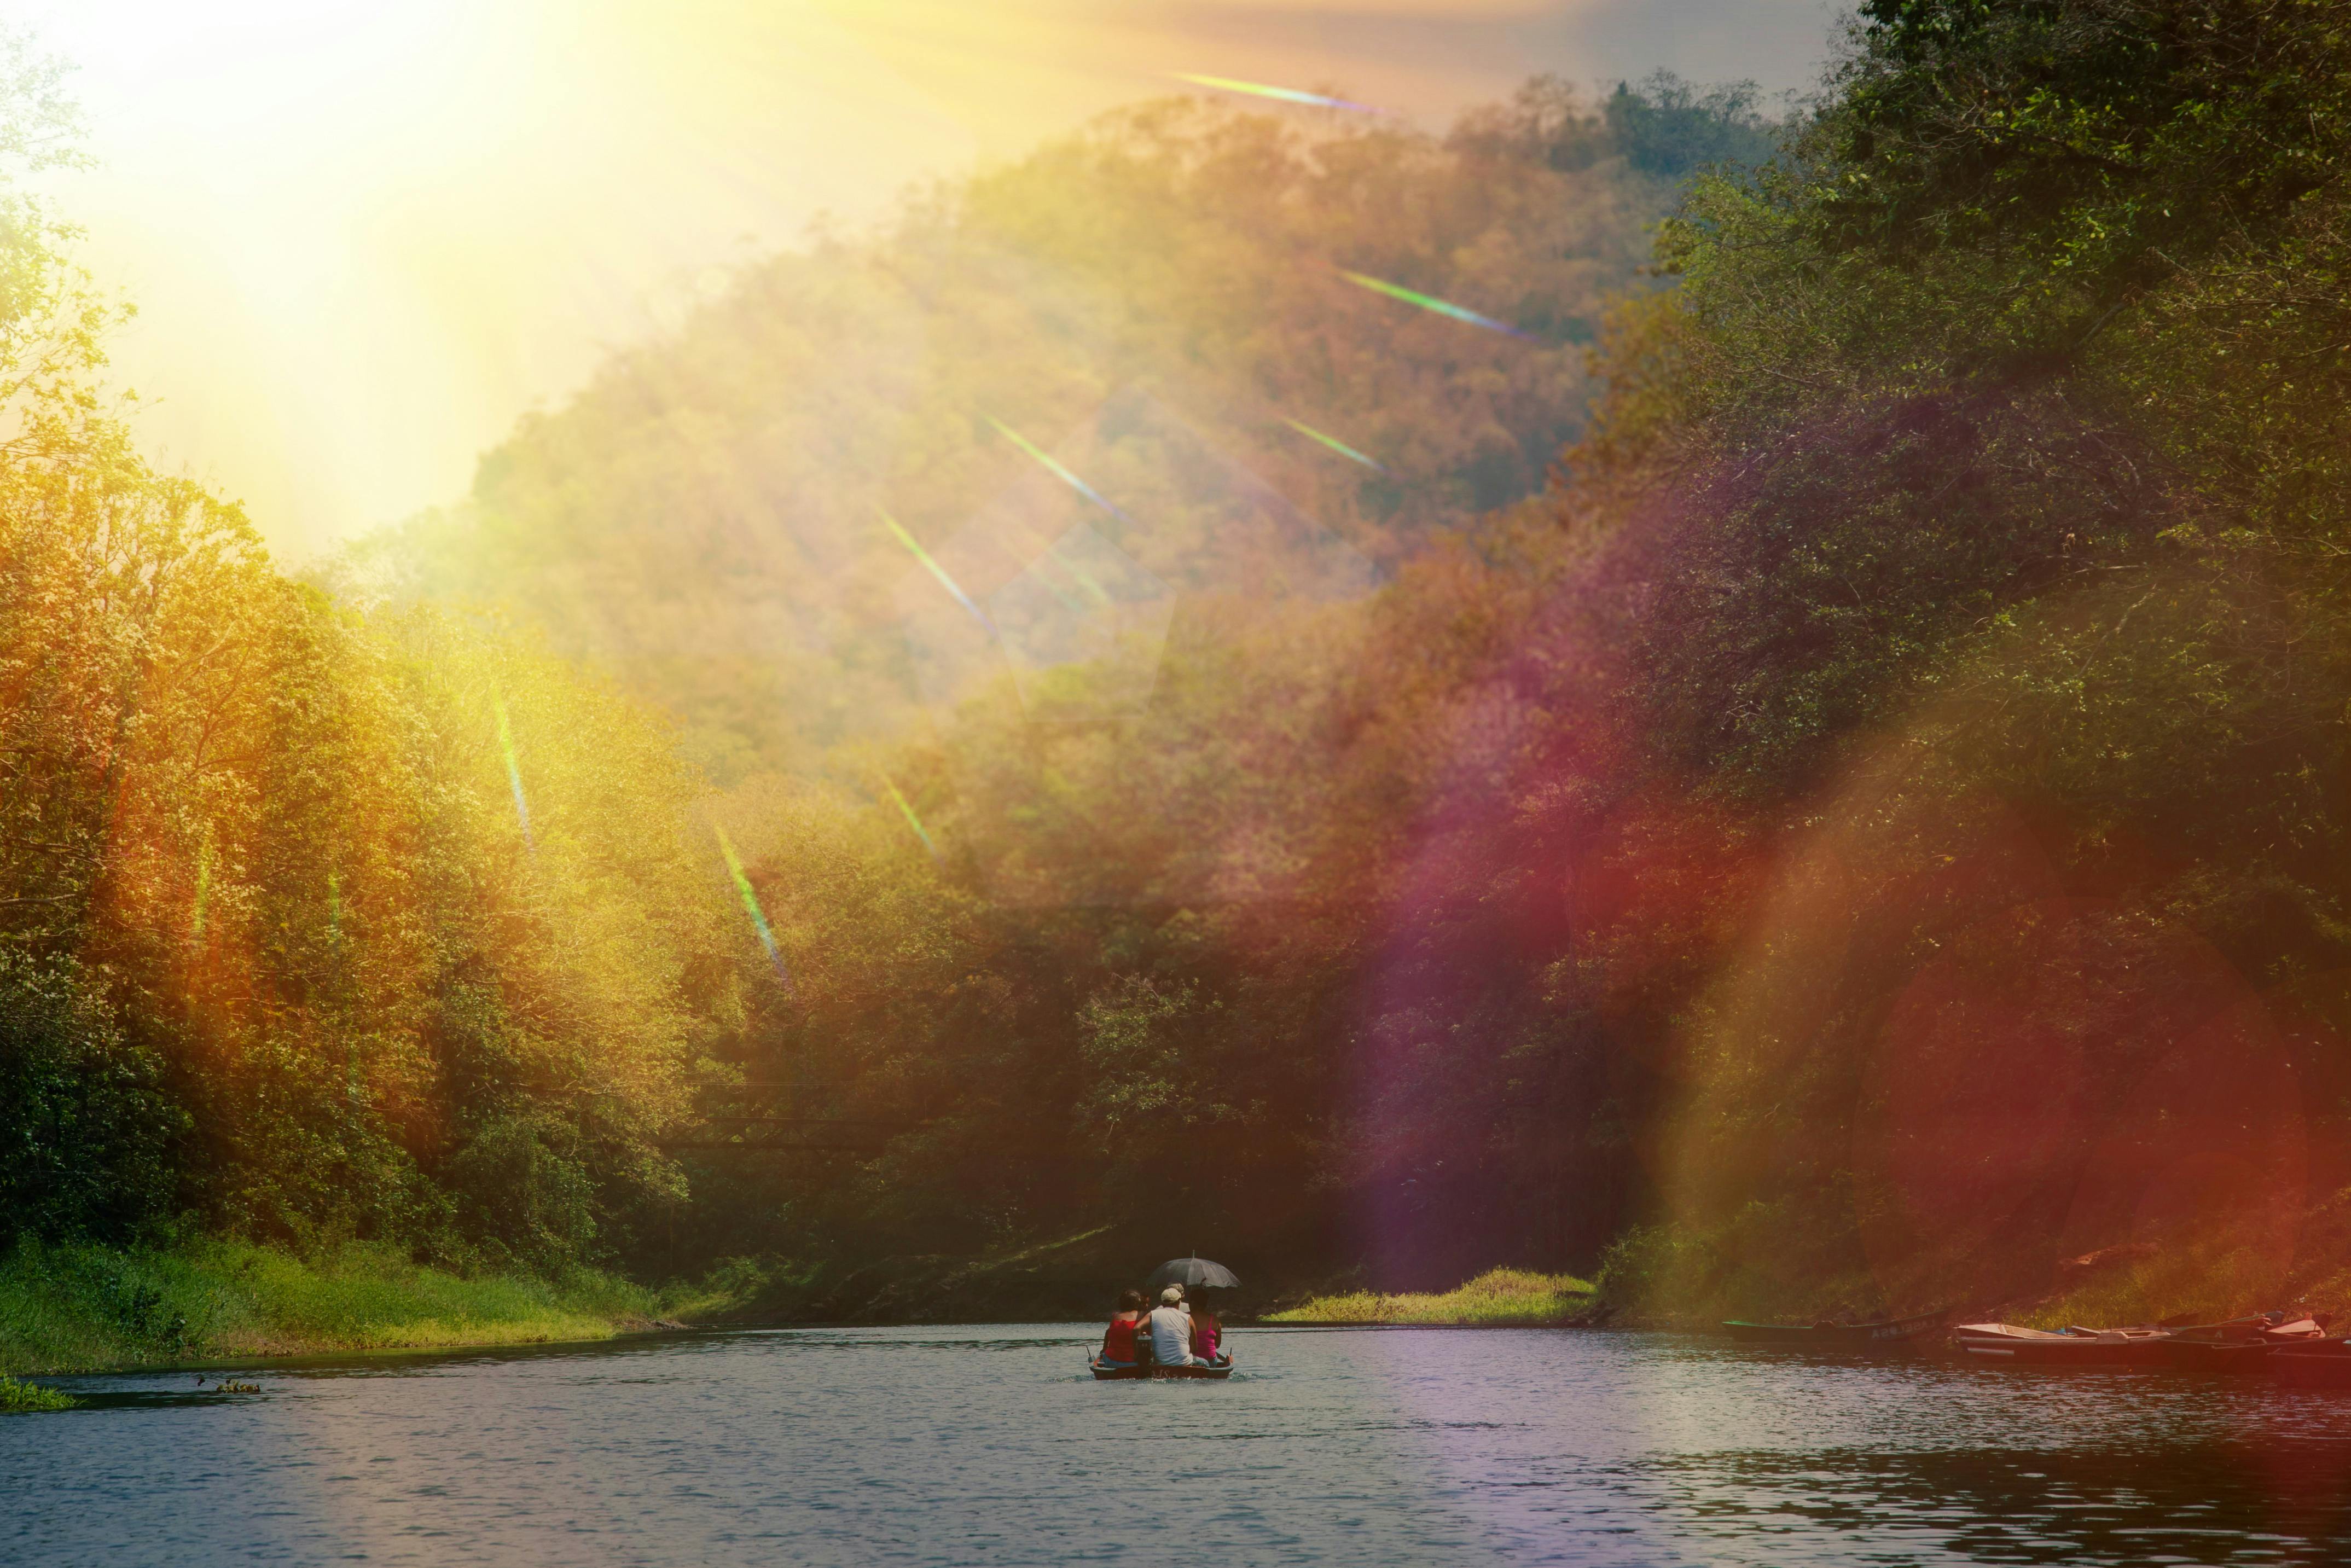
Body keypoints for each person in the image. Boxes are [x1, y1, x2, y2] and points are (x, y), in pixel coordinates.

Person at [1147, 1285, 1198, 1366]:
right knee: (1206, 1363)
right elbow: (1194, 1349)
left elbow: (1137, 1328)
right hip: (1184, 1362)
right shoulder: (1188, 1315)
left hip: (1160, 1363)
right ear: (1179, 1301)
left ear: (1162, 1303)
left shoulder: (1154, 1313)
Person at [1099, 1289, 1146, 1366]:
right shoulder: (1143, 1316)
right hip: (1133, 1362)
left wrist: (1104, 1349)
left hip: (1111, 1361)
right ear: (1137, 1303)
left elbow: (1108, 1332)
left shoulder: (1115, 1316)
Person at [1192, 1294, 1230, 1366]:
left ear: (1192, 1303)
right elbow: (1217, 1345)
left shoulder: (1185, 1317)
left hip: (1191, 1361)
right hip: (1211, 1361)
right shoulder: (1216, 1320)